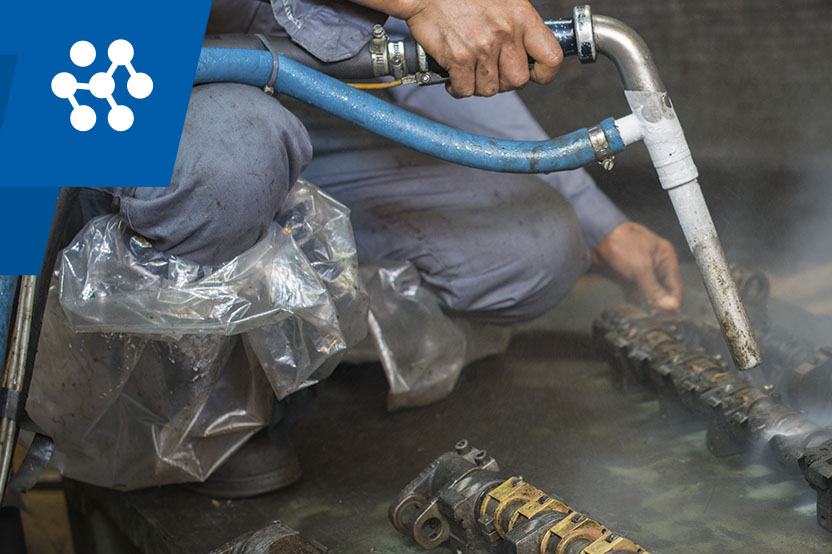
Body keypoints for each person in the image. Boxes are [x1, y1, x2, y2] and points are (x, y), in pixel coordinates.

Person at [64, 0, 684, 495]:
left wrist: (601, 223)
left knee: (536, 247)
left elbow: (429, 60)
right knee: (238, 153)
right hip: (104, 83)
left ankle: (285, 345)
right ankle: (209, 412)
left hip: (290, 98)